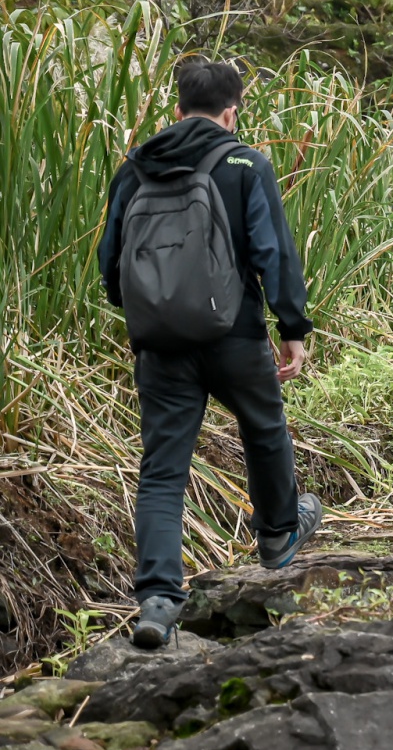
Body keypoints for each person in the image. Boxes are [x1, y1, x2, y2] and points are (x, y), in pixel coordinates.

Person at [98, 60, 323, 649]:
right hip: (235, 334)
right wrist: (291, 325)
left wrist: (152, 310)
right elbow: (273, 250)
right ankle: (277, 534)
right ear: (232, 111)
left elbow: (110, 263)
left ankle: (157, 600)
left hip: (161, 344)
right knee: (264, 426)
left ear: (176, 110)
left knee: (163, 469)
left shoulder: (136, 168)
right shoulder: (247, 162)